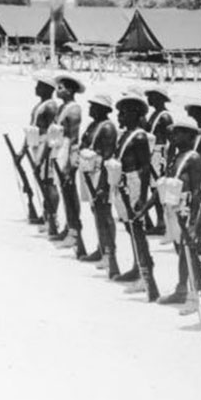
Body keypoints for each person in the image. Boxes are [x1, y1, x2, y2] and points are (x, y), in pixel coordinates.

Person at [110, 94, 161, 302]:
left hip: (133, 183)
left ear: (134, 114)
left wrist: (141, 196)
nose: (119, 116)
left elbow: (146, 167)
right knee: (130, 228)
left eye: (123, 113)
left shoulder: (139, 137)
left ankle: (145, 270)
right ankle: (137, 265)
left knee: (137, 228)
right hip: (122, 183)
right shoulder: (126, 134)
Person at [156, 116, 201, 308]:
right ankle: (183, 287)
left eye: (179, 133)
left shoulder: (193, 158)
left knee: (187, 251)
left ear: (190, 136)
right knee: (180, 250)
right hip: (172, 206)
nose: (174, 136)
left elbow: (197, 190)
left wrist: (194, 220)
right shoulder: (176, 155)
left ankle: (193, 293)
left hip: (185, 208)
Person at [77, 94, 118, 272]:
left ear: (102, 109)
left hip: (101, 173)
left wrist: (103, 184)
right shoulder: (93, 125)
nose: (90, 109)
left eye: (94, 106)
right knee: (96, 210)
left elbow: (107, 156)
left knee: (104, 211)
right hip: (89, 171)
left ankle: (109, 251)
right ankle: (101, 248)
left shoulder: (107, 127)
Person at [49, 74, 86, 257]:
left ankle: (74, 230)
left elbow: (73, 138)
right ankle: (68, 226)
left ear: (70, 90)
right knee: (63, 189)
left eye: (62, 88)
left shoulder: (73, 110)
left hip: (67, 150)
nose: (58, 90)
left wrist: (69, 164)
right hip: (58, 148)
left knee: (69, 189)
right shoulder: (62, 107)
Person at [27, 76, 59, 231]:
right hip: (36, 145)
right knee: (42, 180)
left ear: (48, 89)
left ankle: (52, 216)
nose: (36, 88)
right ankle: (46, 213)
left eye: (39, 86)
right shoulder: (40, 105)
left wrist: (46, 151)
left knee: (49, 182)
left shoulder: (51, 106)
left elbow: (51, 132)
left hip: (45, 147)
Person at [144, 87, 173, 236]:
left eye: (151, 96)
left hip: (158, 153)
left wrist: (168, 160)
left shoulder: (165, 116)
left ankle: (162, 222)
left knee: (158, 187)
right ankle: (160, 221)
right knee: (153, 187)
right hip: (152, 152)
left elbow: (171, 139)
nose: (148, 99)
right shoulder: (154, 114)